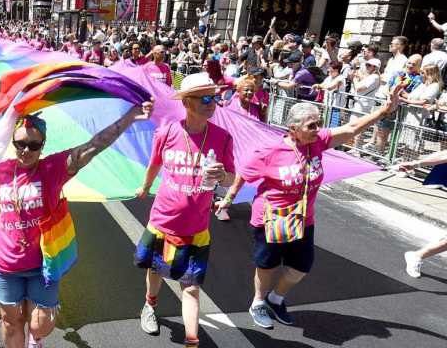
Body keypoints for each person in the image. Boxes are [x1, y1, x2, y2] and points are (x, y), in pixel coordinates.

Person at [215, 84, 403, 329]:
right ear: (293, 129)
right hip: (271, 218)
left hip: (303, 219)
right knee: (267, 265)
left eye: (319, 123)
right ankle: (258, 302)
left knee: (301, 267)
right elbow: (242, 176)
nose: (318, 129)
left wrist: (384, 111)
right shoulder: (269, 152)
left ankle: (276, 299)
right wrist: (228, 199)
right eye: (311, 125)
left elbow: (352, 127)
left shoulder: (318, 142)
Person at [0, 101, 153, 348]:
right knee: (11, 321)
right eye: (20, 143)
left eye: (33, 145)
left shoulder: (53, 169)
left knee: (39, 325)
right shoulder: (2, 169)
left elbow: (94, 146)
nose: (25, 150)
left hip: (42, 264)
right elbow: (6, 186)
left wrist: (129, 118)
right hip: (5, 263)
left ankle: (36, 336)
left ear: (42, 146)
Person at [134, 73, 235, 347]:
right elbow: (154, 164)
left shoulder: (222, 138)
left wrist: (222, 174)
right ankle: (149, 305)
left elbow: (230, 179)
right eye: (204, 98)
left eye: (213, 97)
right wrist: (144, 187)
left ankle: (192, 341)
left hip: (196, 228)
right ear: (187, 103)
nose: (211, 103)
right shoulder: (167, 131)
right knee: (155, 270)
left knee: (190, 287)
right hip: (162, 221)